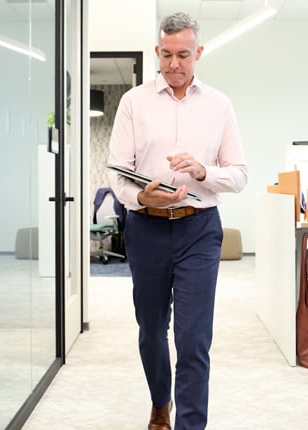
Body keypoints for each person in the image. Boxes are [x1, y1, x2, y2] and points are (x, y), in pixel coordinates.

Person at [107, 12, 247, 430]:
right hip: (146, 227)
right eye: (166, 55)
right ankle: (159, 401)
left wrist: (203, 171)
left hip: (199, 230)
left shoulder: (219, 105)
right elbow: (117, 170)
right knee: (151, 330)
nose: (173, 64)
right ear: (157, 51)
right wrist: (138, 196)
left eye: (183, 55)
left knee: (193, 339)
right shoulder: (135, 102)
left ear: (198, 53)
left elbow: (239, 174)